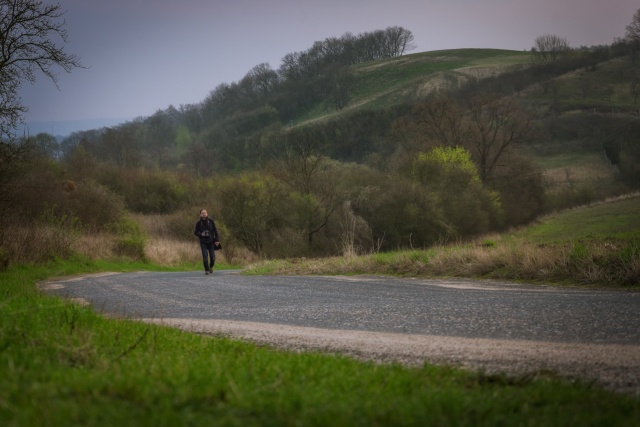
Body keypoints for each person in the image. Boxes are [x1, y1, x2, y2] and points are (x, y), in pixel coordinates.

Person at [194, 209, 221, 275]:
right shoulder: (198, 223)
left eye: (205, 213)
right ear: (200, 214)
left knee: (213, 258)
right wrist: (201, 234)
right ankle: (206, 270)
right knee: (205, 257)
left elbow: (215, 231)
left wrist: (217, 240)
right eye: (202, 213)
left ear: (207, 214)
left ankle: (210, 267)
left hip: (211, 242)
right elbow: (195, 232)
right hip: (203, 242)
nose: (204, 214)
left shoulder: (211, 221)